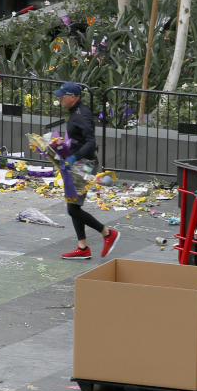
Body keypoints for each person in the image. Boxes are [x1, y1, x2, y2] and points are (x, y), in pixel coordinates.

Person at [53, 82, 119, 260]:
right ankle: (82, 248)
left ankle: (107, 233)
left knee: (73, 209)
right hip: (78, 162)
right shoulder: (76, 112)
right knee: (73, 206)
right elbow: (79, 138)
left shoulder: (81, 115)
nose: (59, 98)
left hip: (85, 164)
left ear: (73, 97)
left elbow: (90, 141)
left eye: (62, 96)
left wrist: (74, 158)